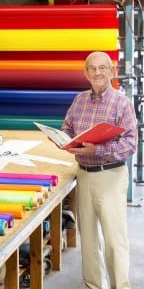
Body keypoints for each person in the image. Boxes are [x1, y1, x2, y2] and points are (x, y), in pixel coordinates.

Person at [61, 51, 138, 289]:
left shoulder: (122, 104)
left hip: (110, 176)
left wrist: (97, 150)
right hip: (84, 175)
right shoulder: (79, 100)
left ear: (112, 71)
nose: (97, 73)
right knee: (89, 239)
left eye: (102, 68)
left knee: (115, 241)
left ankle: (119, 286)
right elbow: (67, 127)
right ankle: (93, 285)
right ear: (85, 73)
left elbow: (131, 144)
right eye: (92, 69)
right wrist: (66, 141)